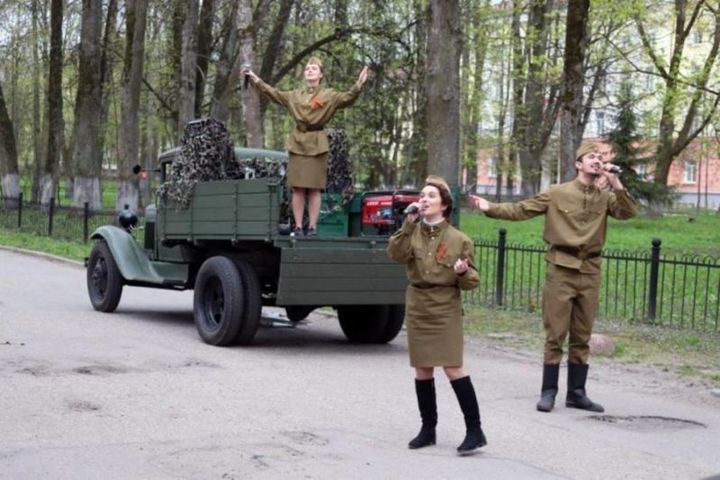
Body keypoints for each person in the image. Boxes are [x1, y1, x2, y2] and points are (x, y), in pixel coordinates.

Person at [469, 142, 637, 413]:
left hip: (590, 270)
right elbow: (522, 209)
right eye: (591, 157)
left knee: (582, 335)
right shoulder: (558, 193)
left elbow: (628, 212)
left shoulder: (605, 197)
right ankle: (549, 392)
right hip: (561, 268)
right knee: (555, 334)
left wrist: (615, 181)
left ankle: (577, 393)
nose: (597, 161)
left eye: (600, 157)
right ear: (578, 164)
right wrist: (490, 207)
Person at [387, 175, 487, 456]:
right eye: (422, 195)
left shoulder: (459, 240)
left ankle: (475, 430)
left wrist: (463, 273)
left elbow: (473, 281)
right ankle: (428, 429)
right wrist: (408, 223)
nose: (424, 199)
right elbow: (395, 254)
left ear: (444, 205)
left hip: (444, 307)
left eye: (431, 196)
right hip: (418, 305)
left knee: (453, 366)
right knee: (422, 368)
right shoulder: (412, 231)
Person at [242, 58, 369, 236]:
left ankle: (312, 227)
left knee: (315, 188)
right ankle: (299, 226)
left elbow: (347, 98)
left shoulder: (329, 95)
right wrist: (255, 79)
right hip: (298, 143)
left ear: (321, 74)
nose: (309, 70)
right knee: (298, 188)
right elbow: (272, 93)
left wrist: (358, 84)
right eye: (307, 68)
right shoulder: (294, 95)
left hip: (317, 143)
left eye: (314, 68)